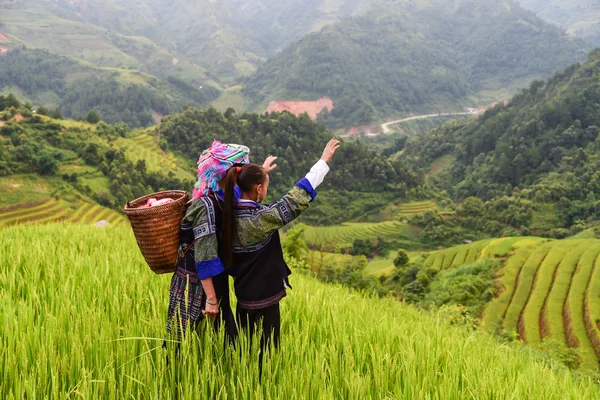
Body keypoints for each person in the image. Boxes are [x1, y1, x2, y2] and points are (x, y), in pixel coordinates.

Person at [220, 139, 340, 370]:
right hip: (265, 302)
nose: (265, 189)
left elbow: (236, 189)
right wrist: (323, 161)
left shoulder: (227, 214)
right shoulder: (260, 220)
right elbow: (296, 197)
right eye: (265, 185)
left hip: (243, 298)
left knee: (246, 350)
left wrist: (259, 172)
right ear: (258, 189)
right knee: (267, 357)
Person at [166, 140, 277, 345]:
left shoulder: (224, 195)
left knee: (224, 341)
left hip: (216, 280)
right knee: (180, 342)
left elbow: (241, 189)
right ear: (233, 173)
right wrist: (211, 299)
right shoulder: (206, 206)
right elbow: (204, 256)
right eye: (243, 170)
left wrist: (261, 171)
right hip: (197, 282)